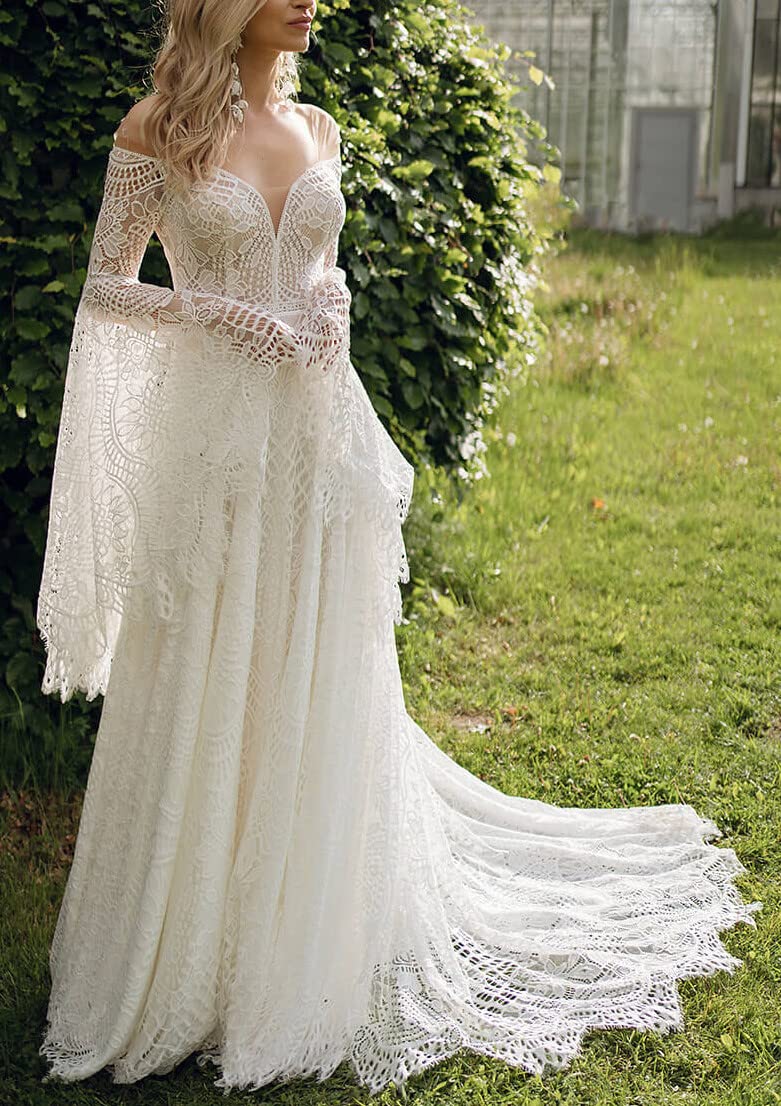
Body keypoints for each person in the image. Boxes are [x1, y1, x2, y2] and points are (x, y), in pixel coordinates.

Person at [36, 0, 762, 1095]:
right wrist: (220, 315)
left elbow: (318, 264)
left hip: (316, 439)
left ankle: (299, 931)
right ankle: (190, 950)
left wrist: (328, 302)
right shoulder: (159, 128)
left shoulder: (319, 128)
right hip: (215, 449)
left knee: (311, 670)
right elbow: (104, 282)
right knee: (209, 671)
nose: (309, 1)